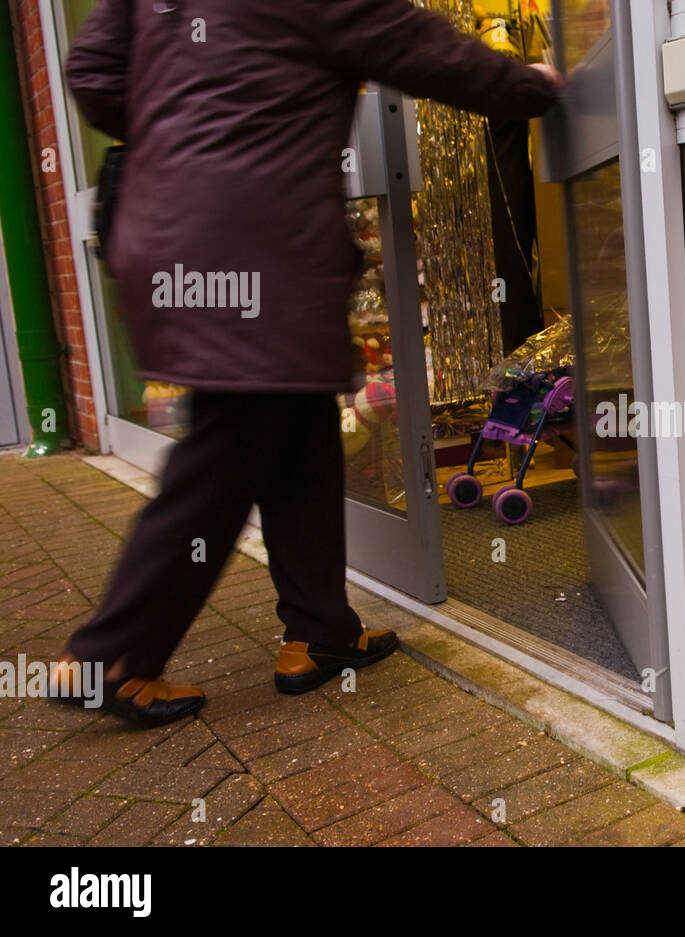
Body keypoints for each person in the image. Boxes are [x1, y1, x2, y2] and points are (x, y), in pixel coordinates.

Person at [51, 0, 562, 727]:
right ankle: (114, 652)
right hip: (251, 242)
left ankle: (320, 633)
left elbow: (94, 71)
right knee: (230, 446)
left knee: (296, 424)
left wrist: (184, 125)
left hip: (170, 227)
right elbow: (426, 51)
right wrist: (539, 84)